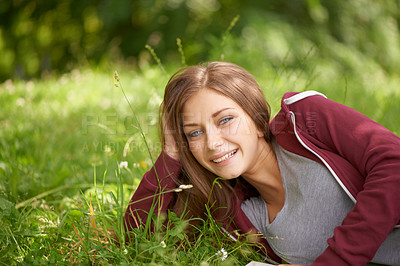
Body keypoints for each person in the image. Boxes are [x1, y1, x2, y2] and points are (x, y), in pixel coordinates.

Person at [124, 61, 400, 265]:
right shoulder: (237, 216)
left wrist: (339, 260)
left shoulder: (304, 119)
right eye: (195, 132)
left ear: (256, 119)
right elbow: (138, 242)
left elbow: (393, 162)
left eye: (225, 120)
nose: (212, 143)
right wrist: (170, 154)